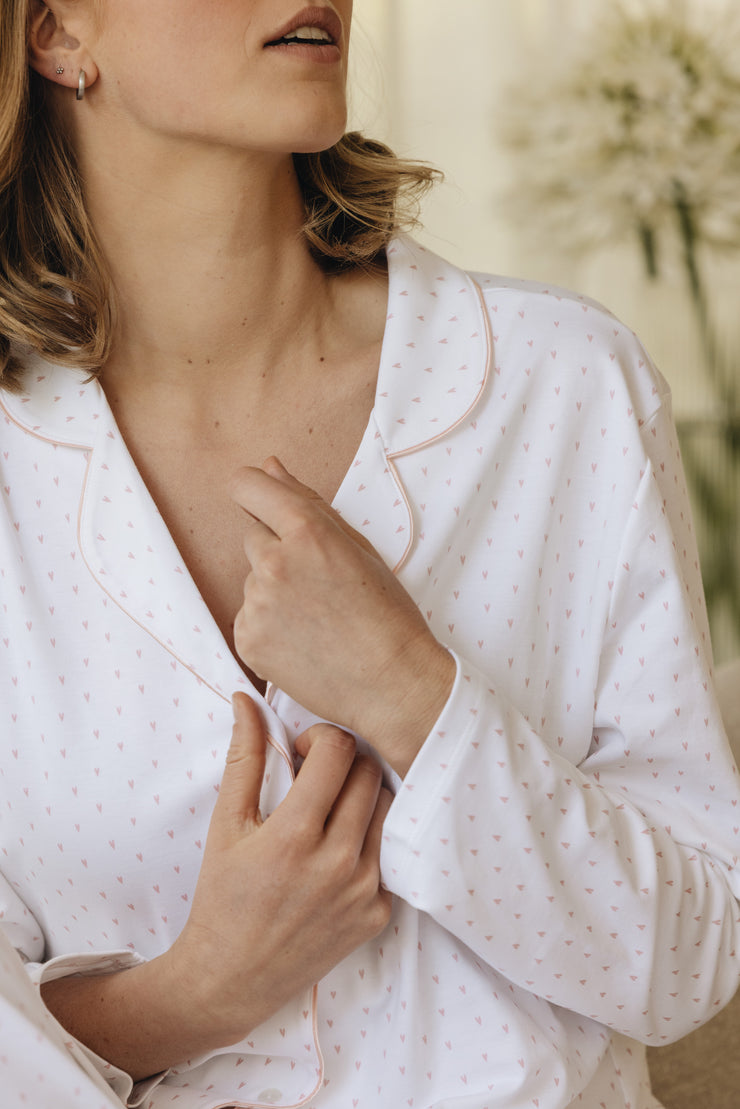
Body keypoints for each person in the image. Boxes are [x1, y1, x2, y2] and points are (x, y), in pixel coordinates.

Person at [1, 2, 739, 1107]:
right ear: (58, 33)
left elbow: (691, 956)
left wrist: (415, 694)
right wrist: (196, 992)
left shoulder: (561, 386)